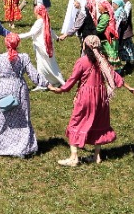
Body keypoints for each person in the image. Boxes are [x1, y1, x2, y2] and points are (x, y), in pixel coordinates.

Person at [48, 35, 124, 166]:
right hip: (101, 96)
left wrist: (61, 89)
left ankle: (73, 157)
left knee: (75, 123)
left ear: (85, 46)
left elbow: (72, 80)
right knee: (98, 123)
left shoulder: (82, 61)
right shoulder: (102, 60)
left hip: (86, 96)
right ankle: (96, 156)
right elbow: (113, 75)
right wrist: (125, 84)